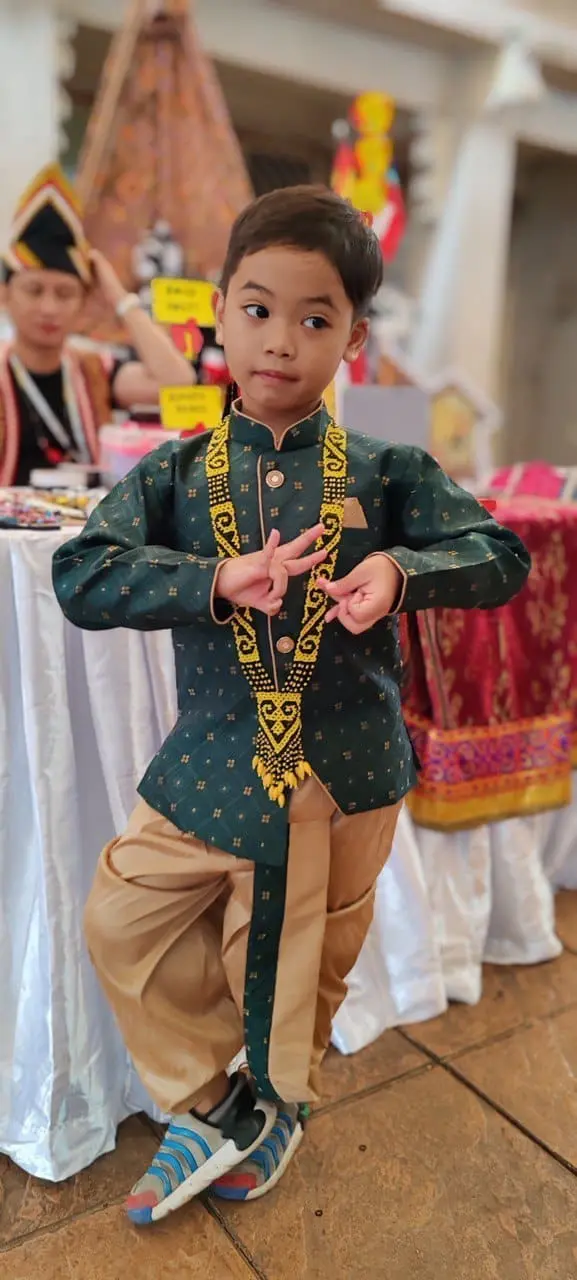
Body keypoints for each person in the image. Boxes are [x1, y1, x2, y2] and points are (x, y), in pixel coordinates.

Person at [52, 186, 530, 1225]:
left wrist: (400, 573)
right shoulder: (177, 473)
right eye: (259, 309)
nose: (282, 341)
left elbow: (501, 553)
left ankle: (276, 1104)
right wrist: (212, 581)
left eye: (316, 319)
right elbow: (80, 576)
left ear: (352, 339)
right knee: (120, 918)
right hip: (211, 761)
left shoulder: (386, 465)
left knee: (296, 970)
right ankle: (211, 1095)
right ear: (220, 313)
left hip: (345, 772)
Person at [0, 164, 194, 486]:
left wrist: (119, 296)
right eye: (34, 291)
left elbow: (178, 382)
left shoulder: (94, 370)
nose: (49, 308)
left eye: (65, 294)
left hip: (86, 530)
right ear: (6, 295)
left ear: (82, 303)